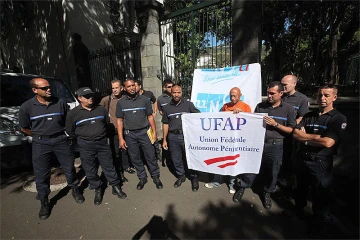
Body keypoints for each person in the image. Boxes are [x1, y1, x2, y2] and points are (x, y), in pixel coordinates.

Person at [19, 78, 84, 220]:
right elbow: (24, 128)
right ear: (35, 90)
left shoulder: (60, 102)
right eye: (44, 88)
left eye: (49, 87)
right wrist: (39, 135)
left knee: (69, 167)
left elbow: (68, 120)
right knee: (41, 173)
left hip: (61, 140)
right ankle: (44, 201)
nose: (49, 90)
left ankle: (75, 189)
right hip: (40, 143)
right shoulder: (27, 107)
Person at [232, 81, 296, 209]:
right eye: (268, 93)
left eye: (272, 93)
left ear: (281, 93)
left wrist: (275, 124)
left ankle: (267, 192)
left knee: (273, 171)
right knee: (250, 167)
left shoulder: (289, 109)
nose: (269, 96)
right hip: (258, 143)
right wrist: (241, 114)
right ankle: (243, 186)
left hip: (275, 146)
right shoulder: (260, 106)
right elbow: (251, 122)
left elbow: (291, 130)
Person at [292, 84, 347, 228]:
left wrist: (305, 136)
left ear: (334, 97)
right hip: (302, 158)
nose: (322, 98)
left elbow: (328, 142)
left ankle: (319, 221)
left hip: (320, 163)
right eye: (319, 95)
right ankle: (298, 212)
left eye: (326, 95)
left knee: (320, 194)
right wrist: (316, 137)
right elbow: (295, 134)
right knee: (300, 189)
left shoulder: (338, 118)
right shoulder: (310, 115)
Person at [66, 87, 127, 206]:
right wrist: (85, 137)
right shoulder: (73, 114)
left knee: (108, 165)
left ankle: (115, 186)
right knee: (90, 168)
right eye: (87, 96)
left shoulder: (101, 110)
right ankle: (97, 188)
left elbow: (106, 123)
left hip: (102, 143)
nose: (90, 98)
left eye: (91, 95)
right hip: (85, 145)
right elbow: (70, 131)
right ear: (79, 98)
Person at [116, 79, 163, 190]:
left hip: (145, 132)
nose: (132, 88)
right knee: (135, 157)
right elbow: (119, 121)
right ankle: (142, 177)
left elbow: (150, 117)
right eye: (129, 86)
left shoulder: (145, 100)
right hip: (130, 135)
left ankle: (155, 176)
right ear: (124, 88)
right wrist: (121, 138)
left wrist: (154, 132)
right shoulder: (121, 103)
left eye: (133, 85)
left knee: (150, 155)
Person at [204, 87, 252, 194]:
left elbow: (250, 123)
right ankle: (216, 181)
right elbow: (219, 119)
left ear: (240, 95)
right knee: (221, 159)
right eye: (231, 95)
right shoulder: (226, 106)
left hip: (237, 140)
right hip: (224, 139)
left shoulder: (245, 107)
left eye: (235, 95)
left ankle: (232, 184)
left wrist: (243, 113)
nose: (232, 97)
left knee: (233, 162)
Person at [162, 85, 201, 191]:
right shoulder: (167, 107)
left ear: (181, 92)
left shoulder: (188, 105)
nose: (176, 95)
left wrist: (189, 116)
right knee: (176, 158)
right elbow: (165, 124)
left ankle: (194, 177)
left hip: (187, 136)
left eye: (178, 92)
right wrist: (164, 139)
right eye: (174, 92)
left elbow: (199, 116)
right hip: (173, 136)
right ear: (171, 93)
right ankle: (181, 175)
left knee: (190, 157)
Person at [99, 79, 135, 183]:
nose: (114, 90)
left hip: (126, 129)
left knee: (125, 150)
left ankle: (126, 166)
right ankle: (119, 173)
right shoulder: (107, 100)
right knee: (116, 153)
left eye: (116, 88)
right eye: (113, 88)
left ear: (121, 88)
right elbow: (100, 111)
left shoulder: (125, 98)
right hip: (114, 131)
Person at [279, 74, 310, 188]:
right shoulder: (281, 96)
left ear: (294, 84)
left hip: (292, 135)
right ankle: (281, 178)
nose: (283, 87)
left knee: (291, 159)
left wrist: (290, 126)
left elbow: (302, 118)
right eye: (281, 84)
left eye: (285, 85)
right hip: (279, 132)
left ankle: (291, 184)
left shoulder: (302, 99)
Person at [134, 80, 162, 162]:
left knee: (153, 136)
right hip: (141, 121)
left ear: (140, 86)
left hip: (149, 119)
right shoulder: (134, 97)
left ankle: (157, 153)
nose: (134, 88)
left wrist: (155, 111)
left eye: (135, 86)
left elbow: (155, 101)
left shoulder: (148, 94)